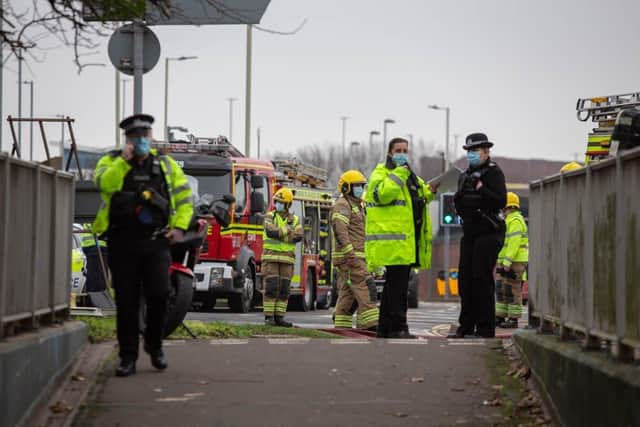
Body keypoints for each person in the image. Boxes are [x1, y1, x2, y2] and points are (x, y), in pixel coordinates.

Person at [92, 114, 193, 377]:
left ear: (151, 137)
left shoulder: (165, 165)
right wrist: (124, 163)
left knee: (159, 294)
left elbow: (184, 199)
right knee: (126, 302)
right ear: (126, 139)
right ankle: (128, 358)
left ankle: (154, 344)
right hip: (122, 243)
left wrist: (180, 227)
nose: (141, 141)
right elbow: (105, 185)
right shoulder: (111, 161)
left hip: (156, 242)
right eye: (135, 137)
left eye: (145, 136)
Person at [365, 137, 438, 339]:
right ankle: (398, 327)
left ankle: (385, 328)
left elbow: (421, 194)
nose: (402, 154)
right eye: (398, 150)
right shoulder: (384, 173)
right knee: (397, 288)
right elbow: (382, 195)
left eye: (405, 150)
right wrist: (399, 173)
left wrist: (432, 191)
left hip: (406, 242)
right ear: (389, 153)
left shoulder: (410, 175)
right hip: (392, 243)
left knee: (393, 287)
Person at [451, 133, 507, 338]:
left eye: (475, 151)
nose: (471, 155)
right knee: (465, 281)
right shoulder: (464, 175)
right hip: (470, 232)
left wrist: (481, 189)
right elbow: (459, 200)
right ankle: (465, 327)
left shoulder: (493, 173)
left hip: (489, 232)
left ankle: (485, 329)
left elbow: (500, 200)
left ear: (486, 152)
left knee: (481, 280)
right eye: (469, 152)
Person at [331, 170, 379, 331]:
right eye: (356, 186)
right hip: (351, 258)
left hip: (354, 257)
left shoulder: (357, 206)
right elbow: (340, 229)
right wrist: (349, 252)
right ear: (346, 188)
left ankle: (341, 324)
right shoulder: (343, 205)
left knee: (348, 293)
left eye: (361, 186)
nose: (360, 189)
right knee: (366, 286)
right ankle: (370, 323)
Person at [262, 187, 303, 327]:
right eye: (276, 201)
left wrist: (282, 234)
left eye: (281, 202)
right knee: (271, 287)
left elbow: (298, 236)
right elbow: (270, 232)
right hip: (271, 258)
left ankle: (280, 317)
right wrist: (287, 231)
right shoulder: (269, 216)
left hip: (287, 260)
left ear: (288, 204)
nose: (278, 204)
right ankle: (269, 318)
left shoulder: (295, 219)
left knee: (285, 289)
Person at [495, 192, 528, 328]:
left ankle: (513, 320)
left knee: (513, 290)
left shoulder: (515, 221)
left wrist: (507, 262)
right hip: (506, 262)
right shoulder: (508, 221)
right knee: (502, 289)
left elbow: (514, 243)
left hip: (514, 262)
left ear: (508, 207)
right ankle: (500, 317)